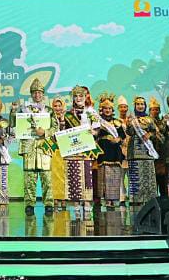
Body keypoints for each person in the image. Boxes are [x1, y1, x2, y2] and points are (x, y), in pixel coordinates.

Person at [13, 78, 53, 215]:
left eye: (39, 92)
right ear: (31, 94)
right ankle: (29, 204)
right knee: (29, 179)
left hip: (44, 147)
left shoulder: (49, 110)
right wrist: (13, 112)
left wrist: (45, 132)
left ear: (43, 94)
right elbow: (14, 124)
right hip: (29, 147)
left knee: (47, 178)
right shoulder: (24, 110)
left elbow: (56, 128)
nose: (37, 95)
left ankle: (49, 204)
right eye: (34, 92)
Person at [62, 85, 100, 215]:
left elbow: (97, 129)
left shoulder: (91, 112)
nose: (78, 98)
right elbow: (65, 131)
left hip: (87, 148)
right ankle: (76, 204)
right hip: (73, 148)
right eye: (76, 96)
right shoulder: (68, 114)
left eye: (80, 96)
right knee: (74, 175)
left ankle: (87, 202)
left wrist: (94, 132)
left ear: (85, 97)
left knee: (87, 175)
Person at [126, 96, 159, 207]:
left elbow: (155, 132)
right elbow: (129, 132)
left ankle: (150, 201)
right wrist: (129, 123)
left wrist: (149, 134)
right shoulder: (132, 119)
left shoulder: (150, 119)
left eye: (142, 104)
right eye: (138, 104)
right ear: (135, 106)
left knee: (148, 176)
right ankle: (136, 201)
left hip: (147, 151)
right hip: (134, 151)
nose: (140, 106)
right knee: (136, 176)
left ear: (145, 106)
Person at [94, 93, 124, 210]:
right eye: (105, 108)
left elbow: (122, 135)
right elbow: (95, 135)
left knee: (115, 176)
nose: (107, 110)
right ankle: (106, 199)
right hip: (103, 151)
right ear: (101, 110)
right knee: (104, 176)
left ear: (112, 110)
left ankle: (114, 199)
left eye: (109, 108)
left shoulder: (117, 122)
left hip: (115, 152)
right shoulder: (98, 122)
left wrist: (118, 139)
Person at [48, 96, 69, 211]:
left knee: (65, 173)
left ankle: (64, 198)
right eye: (55, 106)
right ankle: (55, 198)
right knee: (54, 174)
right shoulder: (49, 118)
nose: (57, 108)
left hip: (65, 149)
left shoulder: (69, 118)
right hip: (53, 148)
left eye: (59, 105)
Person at [149, 98, 167, 197]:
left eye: (157, 109)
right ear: (149, 111)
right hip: (151, 152)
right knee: (152, 177)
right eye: (153, 109)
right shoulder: (146, 121)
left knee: (162, 177)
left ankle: (164, 198)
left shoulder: (162, 121)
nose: (155, 111)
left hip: (162, 153)